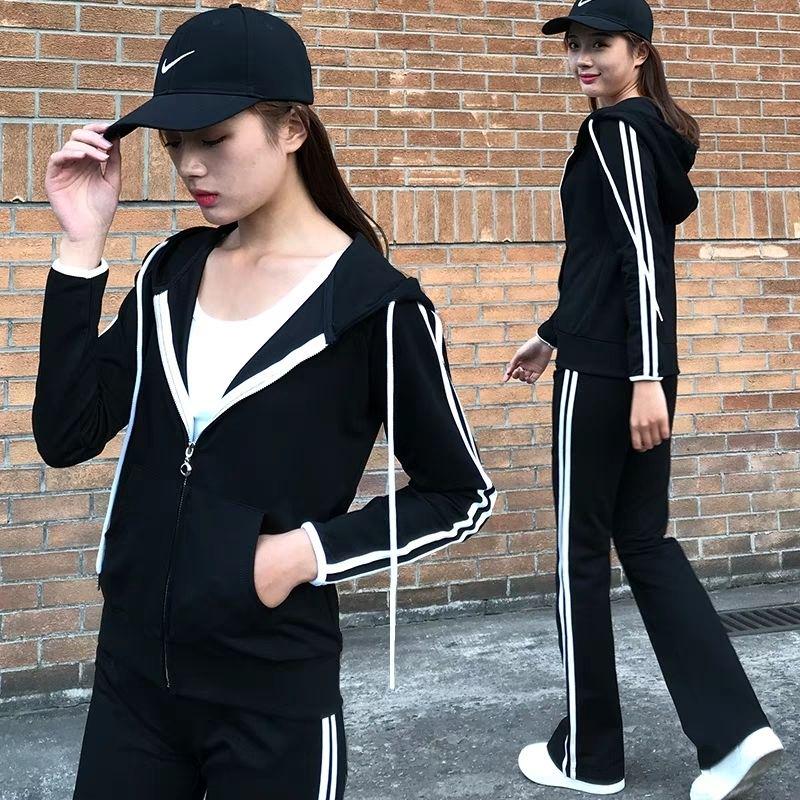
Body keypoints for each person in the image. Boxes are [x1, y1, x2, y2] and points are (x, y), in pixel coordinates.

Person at [33, 5, 496, 799]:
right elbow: (66, 432)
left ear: (292, 129)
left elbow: (459, 495)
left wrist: (299, 556)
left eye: (214, 139)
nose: (190, 166)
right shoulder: (170, 273)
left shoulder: (378, 308)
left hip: (272, 697)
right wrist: (82, 245)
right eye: (174, 145)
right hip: (133, 681)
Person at [502, 1, 783, 798]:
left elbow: (643, 257)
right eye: (575, 45)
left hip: (612, 377)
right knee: (645, 543)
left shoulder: (614, 131)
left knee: (580, 558)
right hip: (615, 363)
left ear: (640, 51)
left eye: (601, 44)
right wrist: (552, 333)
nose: (583, 58)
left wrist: (645, 376)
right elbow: (603, 262)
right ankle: (734, 733)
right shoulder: (647, 132)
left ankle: (590, 758)